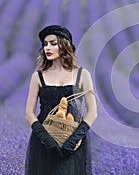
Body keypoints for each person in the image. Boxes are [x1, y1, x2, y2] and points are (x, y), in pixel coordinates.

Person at [25, 25, 98, 175]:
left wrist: (75, 138)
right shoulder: (38, 76)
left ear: (64, 45)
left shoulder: (82, 74)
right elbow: (29, 113)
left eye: (53, 43)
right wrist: (45, 138)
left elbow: (93, 112)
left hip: (73, 142)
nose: (47, 48)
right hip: (43, 141)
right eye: (45, 44)